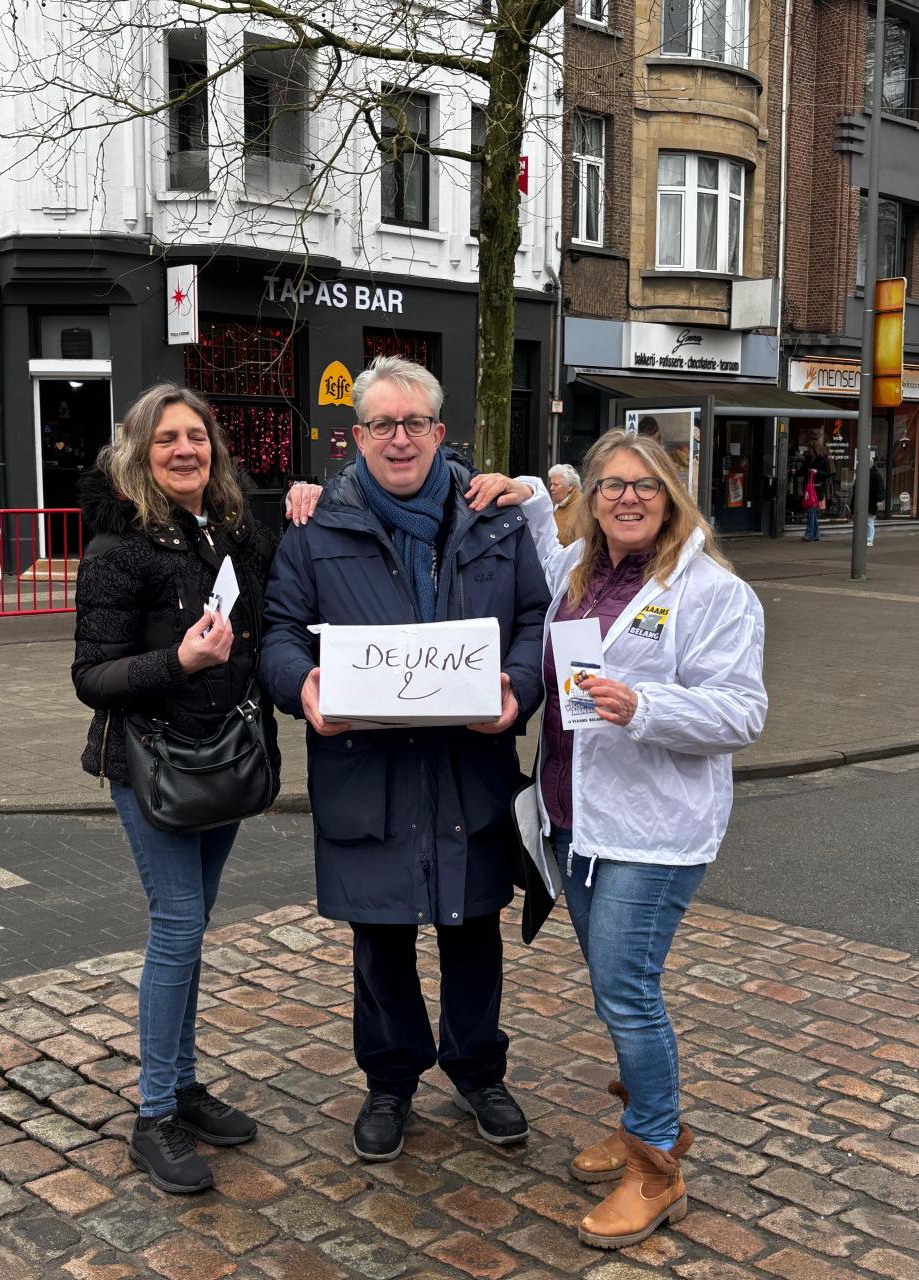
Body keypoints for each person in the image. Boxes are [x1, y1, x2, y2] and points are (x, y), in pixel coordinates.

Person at [464, 429, 767, 1250]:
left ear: (671, 495)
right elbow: (536, 520)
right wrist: (523, 486)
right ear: (592, 498)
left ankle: (657, 1165)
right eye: (610, 487)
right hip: (576, 822)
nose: (627, 499)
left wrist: (649, 706)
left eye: (645, 486)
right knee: (613, 986)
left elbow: (743, 711)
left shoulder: (712, 593)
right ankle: (648, 1123)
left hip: (653, 832)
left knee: (627, 992)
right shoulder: (577, 571)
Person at [259, 356, 550, 1163]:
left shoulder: (494, 519)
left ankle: (478, 1070)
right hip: (367, 773)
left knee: (472, 929)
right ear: (355, 439)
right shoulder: (315, 531)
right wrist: (303, 685)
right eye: (381, 424)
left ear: (438, 432)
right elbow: (279, 633)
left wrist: (519, 690)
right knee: (380, 938)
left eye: (414, 422)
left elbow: (533, 621)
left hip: (470, 765)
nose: (399, 438)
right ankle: (389, 1082)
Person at [72, 384, 284, 1195]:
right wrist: (180, 664)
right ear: (140, 453)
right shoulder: (117, 548)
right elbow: (91, 677)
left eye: (197, 436)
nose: (186, 450)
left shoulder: (231, 530)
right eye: (168, 440)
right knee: (178, 925)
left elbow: (282, 587)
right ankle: (153, 1112)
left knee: (192, 930)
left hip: (223, 759)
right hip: (152, 766)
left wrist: (304, 499)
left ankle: (185, 1089)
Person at [548, 463, 583, 546]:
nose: (551, 488)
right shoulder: (553, 504)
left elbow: (580, 546)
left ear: (570, 486)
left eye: (556, 485)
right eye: (551, 484)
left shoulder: (582, 506)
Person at [800, 444, 829, 540]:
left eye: (810, 449)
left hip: (816, 488)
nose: (809, 450)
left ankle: (809, 533)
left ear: (815, 449)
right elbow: (803, 471)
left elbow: (827, 474)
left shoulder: (823, 460)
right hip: (808, 487)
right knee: (813, 511)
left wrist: (817, 472)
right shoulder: (808, 459)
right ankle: (815, 534)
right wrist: (795, 472)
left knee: (811, 510)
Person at [867, 456, 886, 547]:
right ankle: (868, 538)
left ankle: (869, 539)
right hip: (868, 500)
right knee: (867, 521)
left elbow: (880, 488)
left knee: (869, 521)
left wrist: (879, 499)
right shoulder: (869, 474)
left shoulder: (875, 475)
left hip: (871, 501)